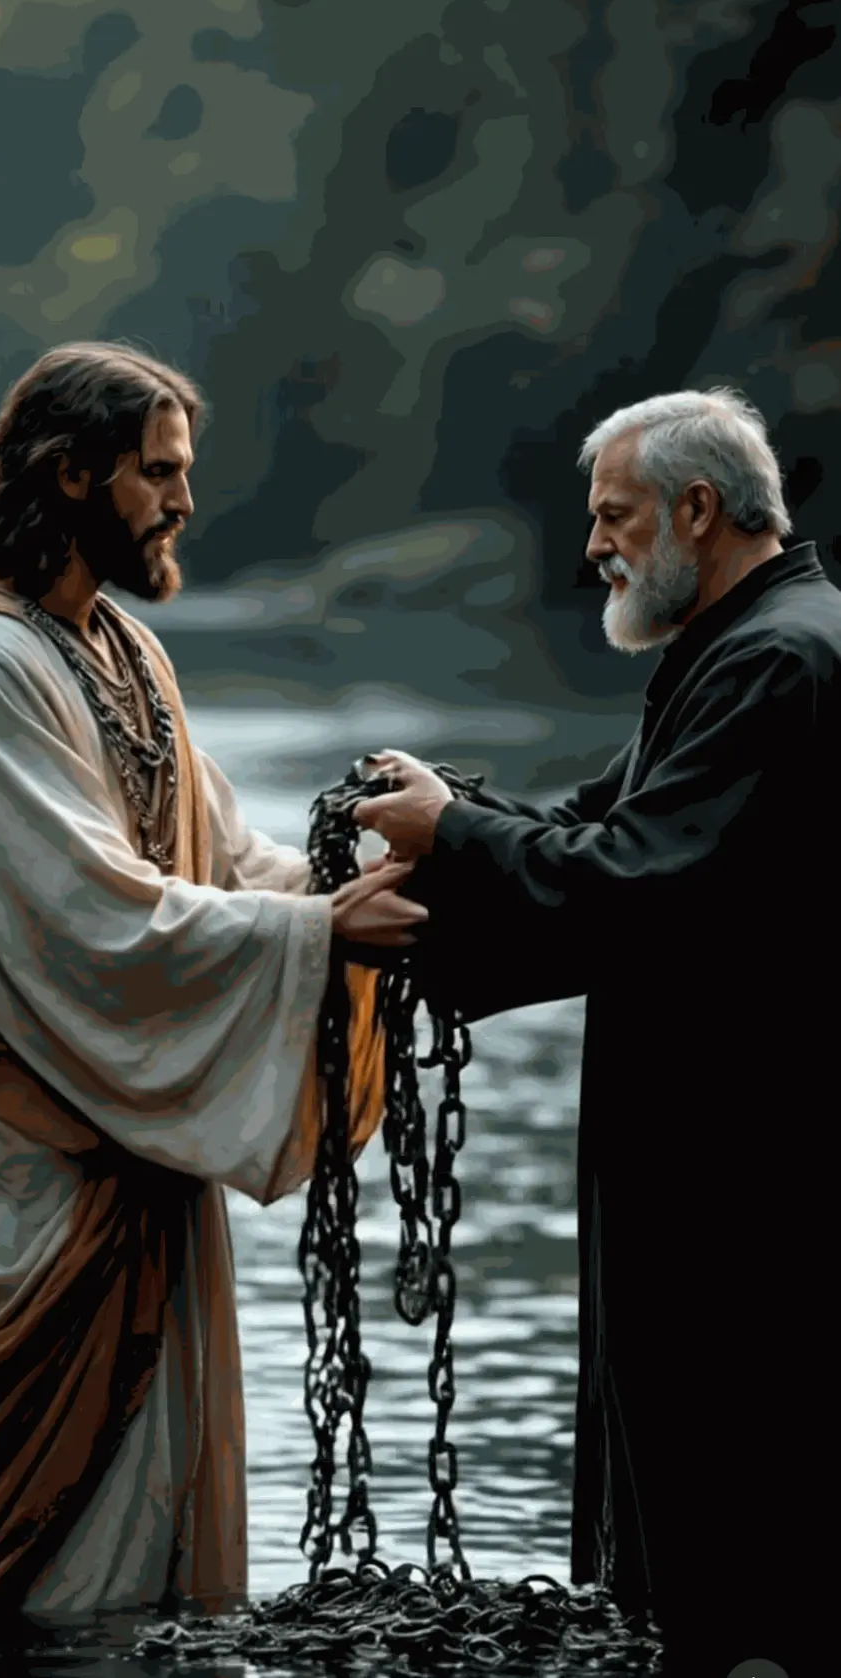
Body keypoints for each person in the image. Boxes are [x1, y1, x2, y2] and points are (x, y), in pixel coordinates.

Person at [0, 342, 426, 1629]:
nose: (183, 500)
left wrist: (356, 885)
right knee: (35, 1585)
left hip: (126, 1161)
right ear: (71, 474)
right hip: (27, 1180)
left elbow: (215, 860)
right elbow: (82, 922)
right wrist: (315, 937)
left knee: (145, 1554)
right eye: (158, 473)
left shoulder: (118, 649)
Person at [355, 388, 836, 1676]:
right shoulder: (742, 644)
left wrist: (451, 836)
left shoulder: (777, 662)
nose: (592, 548)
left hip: (750, 1162)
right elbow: (588, 828)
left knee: (736, 1466)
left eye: (614, 517)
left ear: (697, 509)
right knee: (698, 1454)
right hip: (712, 1142)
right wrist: (445, 820)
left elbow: (637, 880)